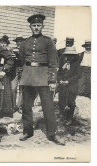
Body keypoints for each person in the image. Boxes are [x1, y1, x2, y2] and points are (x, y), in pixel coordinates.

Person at [18, 14, 65, 145]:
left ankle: (52, 134)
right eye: (34, 26)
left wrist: (52, 80)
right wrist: (26, 73)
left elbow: (53, 62)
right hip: (28, 78)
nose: (36, 28)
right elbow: (21, 59)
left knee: (48, 106)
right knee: (26, 106)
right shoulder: (25, 42)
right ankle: (28, 131)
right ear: (30, 27)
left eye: (38, 25)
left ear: (42, 26)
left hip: (44, 77)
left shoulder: (48, 41)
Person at [57, 46, 80, 125]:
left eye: (71, 55)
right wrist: (60, 80)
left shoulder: (77, 64)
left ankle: (70, 118)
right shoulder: (63, 63)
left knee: (71, 102)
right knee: (61, 100)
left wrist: (68, 81)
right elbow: (59, 73)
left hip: (72, 85)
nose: (69, 57)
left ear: (74, 56)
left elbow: (77, 75)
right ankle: (61, 115)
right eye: (67, 55)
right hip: (62, 85)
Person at [0, 35, 14, 117]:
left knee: (6, 91)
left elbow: (11, 62)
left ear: (7, 44)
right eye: (1, 43)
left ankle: (7, 111)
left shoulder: (9, 51)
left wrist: (5, 69)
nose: (3, 45)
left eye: (4, 43)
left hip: (6, 72)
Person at [11, 36, 26, 113]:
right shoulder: (12, 50)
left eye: (21, 42)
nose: (19, 43)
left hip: (23, 70)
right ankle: (13, 106)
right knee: (13, 88)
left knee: (22, 89)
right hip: (15, 70)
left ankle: (20, 106)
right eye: (17, 42)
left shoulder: (26, 50)